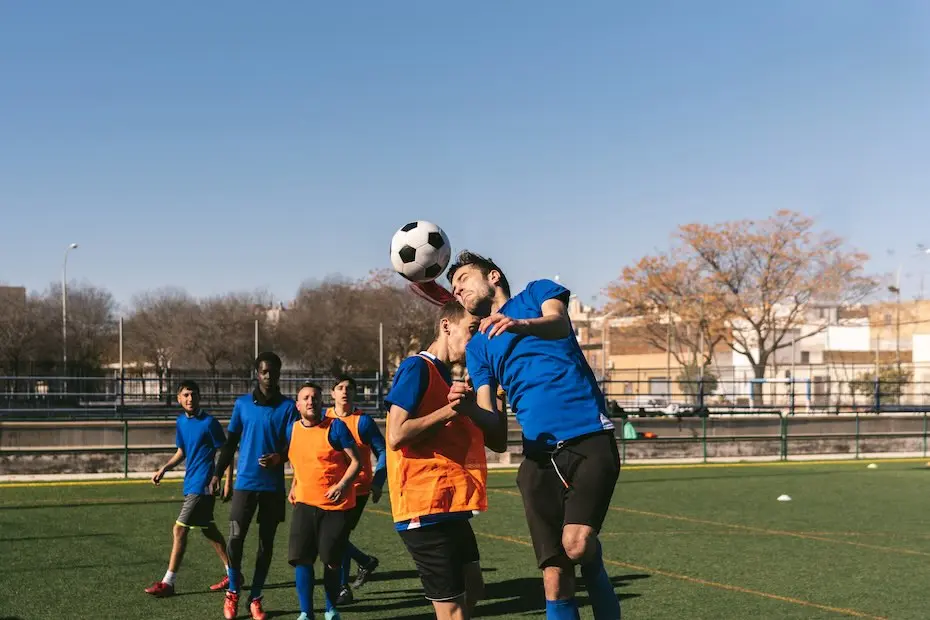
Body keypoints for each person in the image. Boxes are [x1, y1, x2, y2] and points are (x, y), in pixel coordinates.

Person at [447, 251, 622, 620]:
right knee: (555, 580)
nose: (457, 290)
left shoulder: (537, 293)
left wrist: (518, 325)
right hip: (538, 460)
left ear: (492, 276)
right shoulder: (477, 348)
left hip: (589, 438)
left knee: (576, 546)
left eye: (462, 279)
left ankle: (592, 561)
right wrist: (467, 410)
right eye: (453, 288)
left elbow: (559, 324)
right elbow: (494, 434)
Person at [385, 300, 508, 620]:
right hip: (423, 506)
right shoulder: (417, 367)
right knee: (453, 613)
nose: (474, 340)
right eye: (471, 329)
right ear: (445, 325)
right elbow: (396, 434)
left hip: (451, 506)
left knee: (475, 588)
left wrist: (495, 394)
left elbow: (497, 440)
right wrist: (449, 411)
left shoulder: (451, 380)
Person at [211, 351, 298, 620]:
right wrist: (216, 474)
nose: (268, 376)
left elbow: (294, 446)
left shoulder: (288, 408)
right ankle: (233, 591)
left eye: (273, 371)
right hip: (244, 486)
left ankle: (256, 596)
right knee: (235, 541)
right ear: (256, 374)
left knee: (266, 544)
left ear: (279, 374)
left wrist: (279, 458)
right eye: (264, 371)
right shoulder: (242, 405)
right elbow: (230, 442)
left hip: (272, 489)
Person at [144, 380, 234, 597]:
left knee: (179, 529)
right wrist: (164, 468)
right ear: (179, 398)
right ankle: (233, 574)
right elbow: (182, 451)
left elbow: (227, 451)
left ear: (199, 396)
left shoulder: (209, 423)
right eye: (185, 395)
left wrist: (228, 481)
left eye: (193, 394)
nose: (190, 399)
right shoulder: (181, 423)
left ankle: (168, 582)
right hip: (190, 482)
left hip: (203, 484)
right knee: (209, 530)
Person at [287, 381, 363, 620]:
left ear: (322, 402)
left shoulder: (336, 427)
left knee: (331, 561)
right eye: (306, 398)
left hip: (335, 508)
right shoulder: (292, 429)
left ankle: (331, 609)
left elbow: (356, 462)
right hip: (304, 504)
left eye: (315, 398)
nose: (311, 401)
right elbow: (298, 461)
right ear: (298, 404)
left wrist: (342, 485)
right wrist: (294, 485)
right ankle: (306, 613)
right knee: (302, 559)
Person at [324, 375, 386, 605]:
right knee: (330, 537)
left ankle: (342, 588)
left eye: (349, 388)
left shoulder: (363, 422)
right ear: (332, 393)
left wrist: (378, 482)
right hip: (328, 489)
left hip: (356, 489)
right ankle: (364, 561)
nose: (344, 392)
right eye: (339, 388)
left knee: (338, 536)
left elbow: (383, 452)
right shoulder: (325, 419)